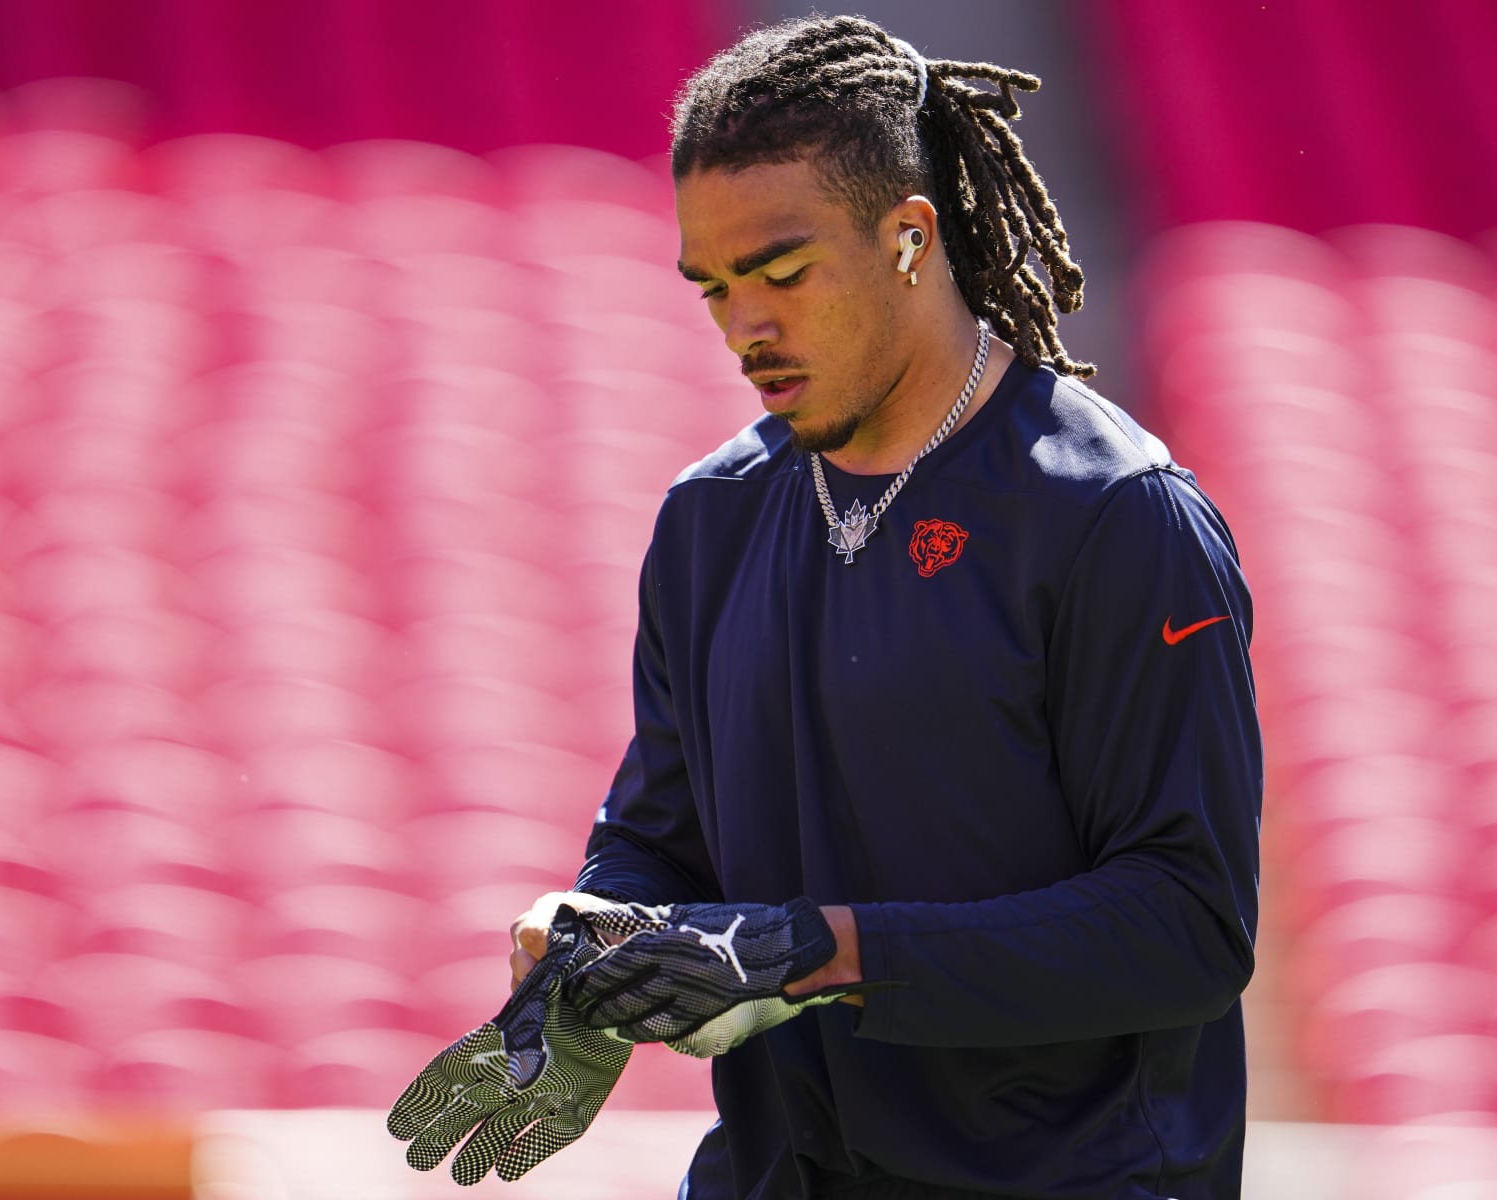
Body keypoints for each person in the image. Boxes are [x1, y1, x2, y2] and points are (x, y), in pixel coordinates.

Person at [508, 15, 1263, 1199]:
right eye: (713, 287)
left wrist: (825, 954)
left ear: (909, 236)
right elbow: (664, 839)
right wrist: (594, 939)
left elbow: (1187, 927)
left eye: (782, 273)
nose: (743, 326)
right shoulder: (708, 520)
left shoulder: (1121, 519)